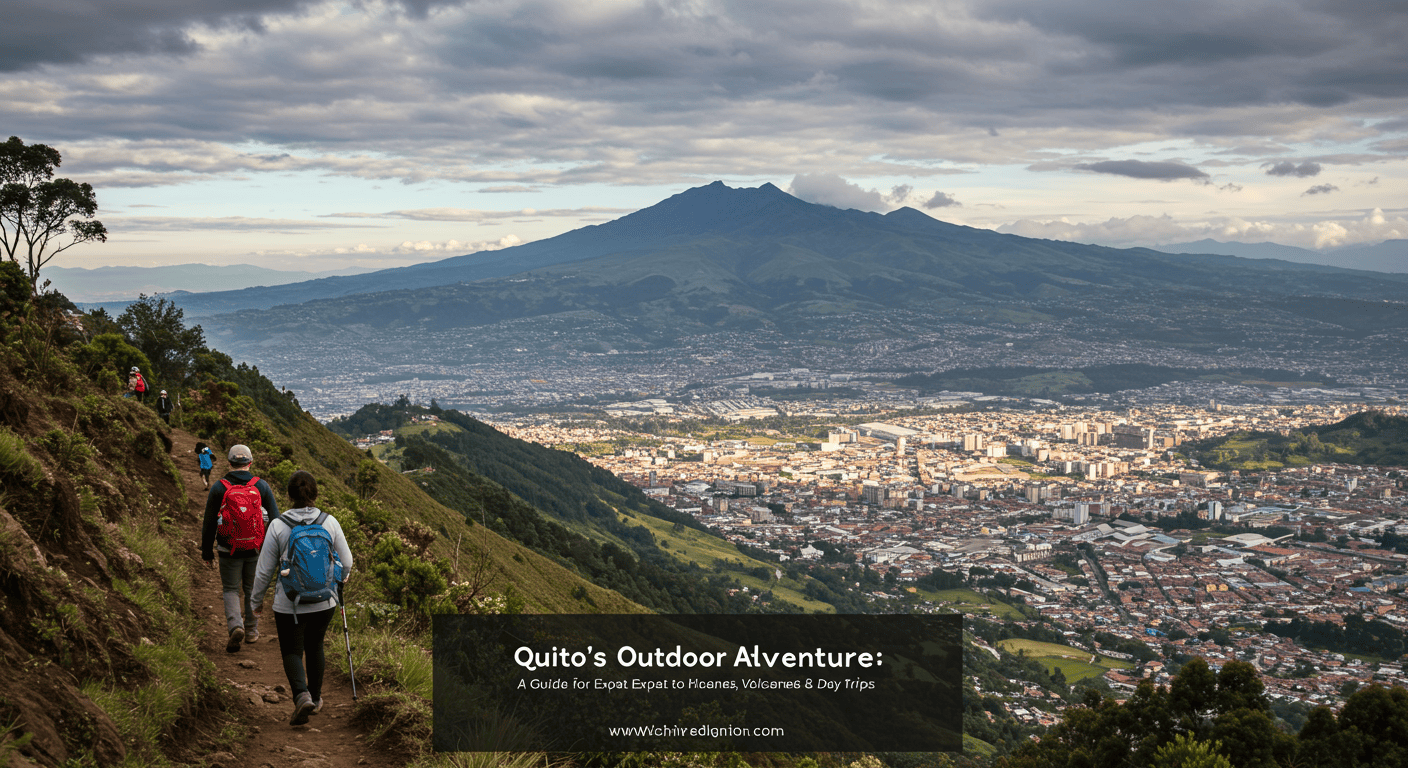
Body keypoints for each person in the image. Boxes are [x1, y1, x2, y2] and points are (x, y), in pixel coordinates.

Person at [252, 470, 353, 726]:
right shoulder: (329, 522)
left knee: (292, 651)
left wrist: (256, 602)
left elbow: (264, 571)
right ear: (315, 493)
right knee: (315, 645)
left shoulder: (278, 525)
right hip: (325, 600)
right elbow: (347, 561)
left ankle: (301, 696)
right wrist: (342, 577)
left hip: (290, 604)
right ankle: (316, 699)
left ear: (289, 495)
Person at [200, 444, 279, 652]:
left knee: (231, 589)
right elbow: (276, 520)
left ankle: (236, 625)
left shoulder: (219, 487)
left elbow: (209, 522)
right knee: (252, 589)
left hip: (228, 549)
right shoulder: (261, 486)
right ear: (250, 463)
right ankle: (252, 631)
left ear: (229, 463)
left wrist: (206, 551)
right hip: (255, 548)